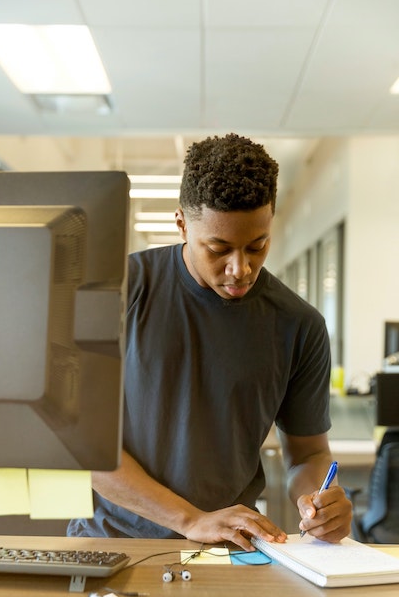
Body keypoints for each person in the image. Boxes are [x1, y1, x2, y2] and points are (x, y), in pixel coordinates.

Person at [68, 133, 352, 550]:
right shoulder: (118, 292)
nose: (241, 268)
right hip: (112, 542)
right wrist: (188, 519)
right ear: (181, 222)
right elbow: (81, 443)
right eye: (219, 249)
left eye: (258, 246)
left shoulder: (299, 325)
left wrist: (319, 503)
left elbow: (308, 455)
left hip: (228, 548)